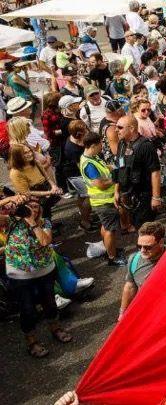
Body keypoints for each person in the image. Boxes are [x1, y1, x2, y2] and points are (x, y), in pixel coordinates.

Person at [1, 195, 73, 358]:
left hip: (44, 271)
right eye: (29, 207)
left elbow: (44, 241)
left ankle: (56, 329)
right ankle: (32, 342)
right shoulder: (11, 221)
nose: (33, 209)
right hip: (19, 274)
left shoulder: (44, 222)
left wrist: (32, 222)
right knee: (27, 309)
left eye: (36, 206)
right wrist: (9, 200)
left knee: (50, 304)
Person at [79, 131, 123, 266]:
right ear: (93, 145)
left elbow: (105, 168)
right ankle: (112, 257)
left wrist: (115, 166)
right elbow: (101, 185)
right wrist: (116, 177)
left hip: (103, 202)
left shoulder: (92, 158)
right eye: (100, 144)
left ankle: (110, 249)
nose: (102, 147)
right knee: (111, 230)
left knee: (105, 226)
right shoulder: (89, 164)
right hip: (104, 202)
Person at [114, 115, 162, 228]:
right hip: (128, 194)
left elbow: (155, 172)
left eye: (120, 127)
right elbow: (119, 168)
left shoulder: (146, 146)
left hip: (143, 195)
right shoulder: (122, 144)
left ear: (131, 128)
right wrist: (117, 191)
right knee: (136, 224)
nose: (116, 130)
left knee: (145, 227)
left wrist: (156, 197)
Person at [118, 221, 166, 320]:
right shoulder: (134, 259)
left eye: (148, 247)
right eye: (139, 246)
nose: (142, 251)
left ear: (161, 242)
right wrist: (122, 313)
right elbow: (130, 286)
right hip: (148, 313)